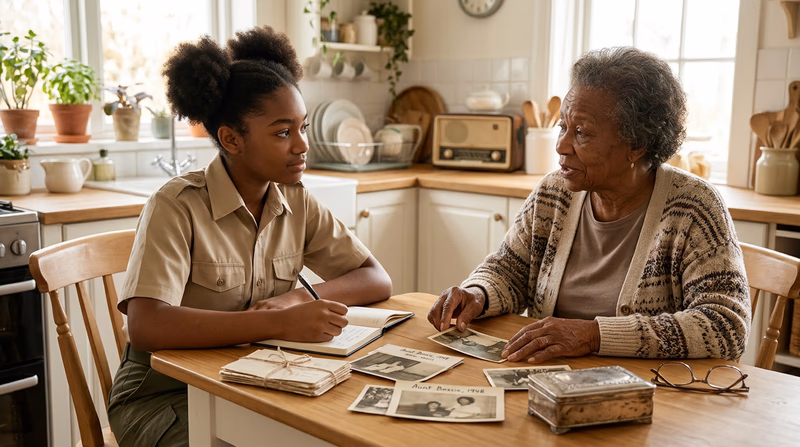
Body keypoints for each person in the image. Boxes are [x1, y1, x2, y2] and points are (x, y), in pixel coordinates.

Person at [107, 26, 393, 446]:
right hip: (163, 396)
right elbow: (147, 326)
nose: (302, 145)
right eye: (283, 132)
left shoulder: (295, 200)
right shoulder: (176, 205)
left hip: (253, 381)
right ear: (231, 139)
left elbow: (375, 278)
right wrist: (275, 321)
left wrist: (297, 298)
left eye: (303, 127)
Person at [428, 46, 750, 365]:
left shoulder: (693, 208)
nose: (561, 145)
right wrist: (477, 294)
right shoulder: (555, 193)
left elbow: (726, 326)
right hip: (548, 379)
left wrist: (594, 336)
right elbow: (509, 270)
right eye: (563, 127)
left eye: (581, 132)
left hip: (651, 394)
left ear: (636, 143)